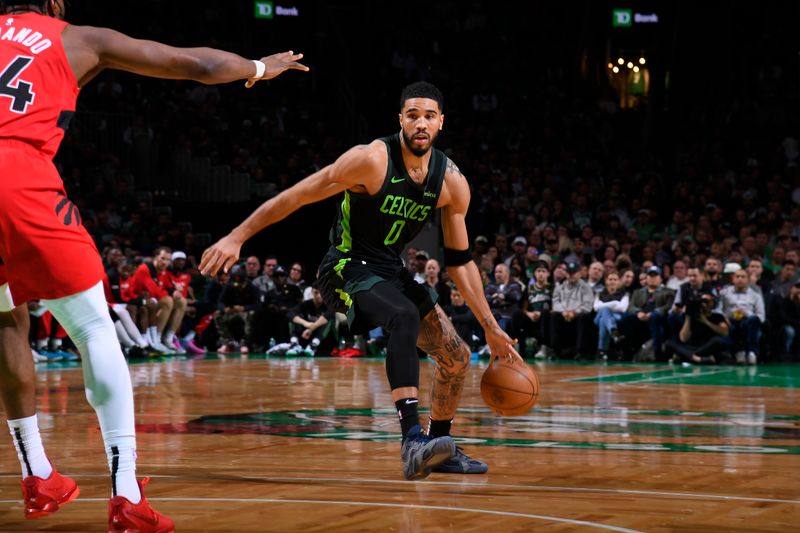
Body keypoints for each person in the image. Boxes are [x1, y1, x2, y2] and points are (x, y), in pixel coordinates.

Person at [0, 1, 308, 530]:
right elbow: (194, 64)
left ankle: (38, 477)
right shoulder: (74, 37)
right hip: (18, 173)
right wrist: (259, 67)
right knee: (94, 326)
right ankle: (125, 494)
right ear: (53, 4)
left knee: (7, 321)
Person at [201, 81, 520, 480]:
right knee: (403, 315)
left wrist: (491, 327)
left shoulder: (451, 182)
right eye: (412, 115)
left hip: (389, 270)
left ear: (442, 122)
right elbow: (296, 196)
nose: (421, 123)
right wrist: (237, 236)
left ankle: (440, 447)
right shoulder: (370, 160)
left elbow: (460, 261)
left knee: (456, 356)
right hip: (344, 267)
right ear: (400, 119)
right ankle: (411, 441)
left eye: (429, 116)